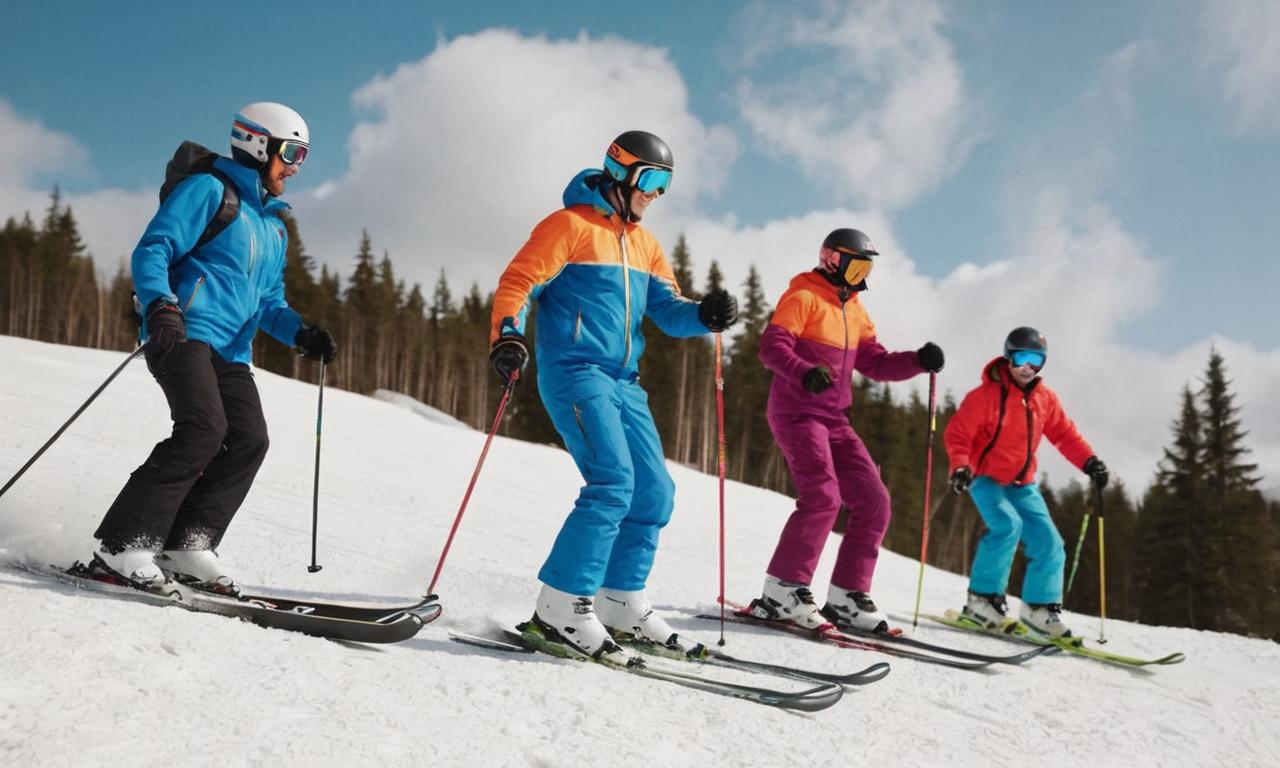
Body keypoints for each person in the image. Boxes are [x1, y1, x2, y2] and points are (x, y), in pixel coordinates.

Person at [489, 130, 738, 663]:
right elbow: (519, 282)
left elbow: (668, 311)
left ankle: (620, 601)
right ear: (619, 171)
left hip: (625, 381)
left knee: (654, 492)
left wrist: (703, 315)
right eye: (650, 179)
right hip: (575, 372)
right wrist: (508, 333)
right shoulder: (569, 226)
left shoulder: (644, 245)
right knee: (612, 483)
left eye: (665, 184)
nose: (655, 193)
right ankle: (559, 607)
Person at [90, 102, 337, 594]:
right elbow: (155, 247)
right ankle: (121, 546)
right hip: (181, 332)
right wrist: (160, 304)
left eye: (303, 156)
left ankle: (187, 544)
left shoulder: (272, 226)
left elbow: (269, 301)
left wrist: (300, 333)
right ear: (257, 143)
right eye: (292, 152)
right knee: (203, 429)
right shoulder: (207, 190)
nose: (295, 166)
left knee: (249, 440)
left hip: (231, 350)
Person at [747, 228, 944, 633]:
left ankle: (848, 596)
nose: (862, 274)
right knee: (823, 496)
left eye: (868, 266)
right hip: (797, 413)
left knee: (874, 501)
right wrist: (804, 372)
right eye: (857, 264)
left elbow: (875, 362)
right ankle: (783, 590)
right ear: (833, 260)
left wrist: (918, 360)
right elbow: (771, 346)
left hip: (835, 420)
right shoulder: (803, 296)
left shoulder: (855, 310)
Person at [943, 327, 1108, 638]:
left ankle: (1039, 610)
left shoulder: (1045, 399)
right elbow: (958, 435)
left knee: (1050, 542)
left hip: (1023, 483)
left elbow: (1065, 435)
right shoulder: (984, 397)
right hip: (985, 478)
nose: (1027, 368)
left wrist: (1089, 461)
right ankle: (982, 601)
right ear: (1008, 357)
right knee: (1007, 525)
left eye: (1036, 360)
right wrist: (961, 467)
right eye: (1021, 359)